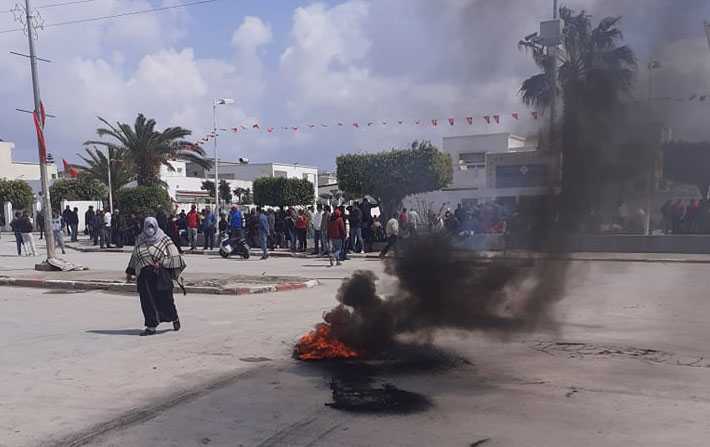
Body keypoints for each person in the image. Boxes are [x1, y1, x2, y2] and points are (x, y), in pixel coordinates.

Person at [125, 217, 185, 337]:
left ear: (156, 226)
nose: (150, 229)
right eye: (147, 226)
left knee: (166, 299)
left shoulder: (165, 239)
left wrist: (162, 262)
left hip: (161, 274)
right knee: (147, 301)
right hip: (144, 277)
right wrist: (130, 272)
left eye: (152, 226)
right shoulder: (140, 239)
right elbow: (135, 256)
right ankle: (151, 326)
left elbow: (175, 256)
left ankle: (174, 317)